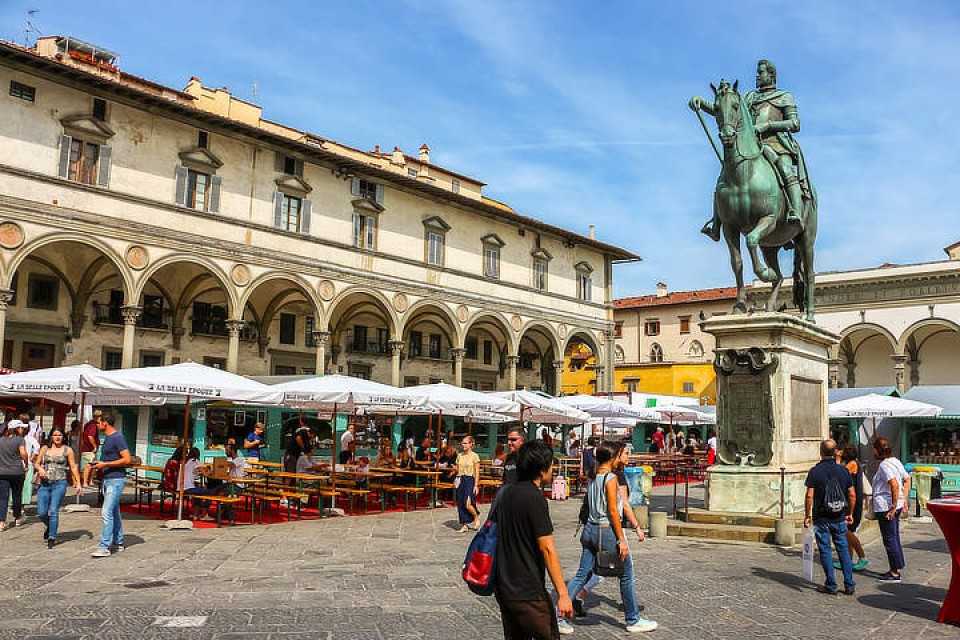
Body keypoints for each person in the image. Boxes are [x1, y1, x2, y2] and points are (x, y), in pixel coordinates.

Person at [691, 59, 809, 241]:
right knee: (724, 177)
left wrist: (767, 126)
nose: (757, 76)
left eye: (760, 72)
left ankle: (796, 213)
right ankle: (716, 224)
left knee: (786, 170)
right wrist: (702, 103)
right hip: (750, 147)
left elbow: (795, 124)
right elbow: (726, 109)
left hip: (776, 145)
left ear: (771, 75)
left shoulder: (784, 97)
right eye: (757, 72)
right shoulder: (749, 98)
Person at [559, 440, 655, 634]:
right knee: (626, 574)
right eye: (621, 453)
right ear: (613, 457)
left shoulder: (593, 475)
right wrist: (621, 539)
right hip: (605, 530)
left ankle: (559, 617)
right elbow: (613, 510)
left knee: (581, 574)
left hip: (590, 530)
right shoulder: (610, 478)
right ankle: (633, 619)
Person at [495, 440, 573, 639]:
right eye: (551, 465)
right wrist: (563, 594)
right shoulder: (534, 498)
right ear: (541, 469)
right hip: (528, 591)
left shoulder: (506, 493)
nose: (552, 469)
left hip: (505, 586)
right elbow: (547, 548)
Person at [803, 439, 856, 595]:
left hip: (821, 517)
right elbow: (852, 494)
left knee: (825, 550)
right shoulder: (843, 470)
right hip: (839, 516)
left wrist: (807, 515)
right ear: (835, 452)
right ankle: (849, 584)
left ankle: (831, 585)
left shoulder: (815, 471)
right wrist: (850, 513)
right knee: (843, 550)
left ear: (821, 452)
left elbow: (809, 495)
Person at [90, 410, 131, 557]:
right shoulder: (107, 438)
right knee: (114, 512)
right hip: (108, 478)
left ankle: (104, 546)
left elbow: (127, 459)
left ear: (105, 423)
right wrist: (100, 464)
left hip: (116, 479)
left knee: (106, 512)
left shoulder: (117, 437)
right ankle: (119, 541)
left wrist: (106, 464)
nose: (96, 424)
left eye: (98, 422)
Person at [34, 426, 81, 548]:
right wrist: (40, 469)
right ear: (51, 437)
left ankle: (52, 536)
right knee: (42, 512)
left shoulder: (68, 450)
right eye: (55, 435)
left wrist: (78, 483)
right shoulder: (45, 449)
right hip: (44, 483)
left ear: (63, 437)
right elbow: (37, 463)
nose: (58, 437)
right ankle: (50, 525)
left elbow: (73, 467)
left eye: (60, 435)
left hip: (59, 483)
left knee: (54, 510)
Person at [872, 437, 911, 582]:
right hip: (895, 503)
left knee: (889, 538)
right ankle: (896, 566)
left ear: (876, 450)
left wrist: (894, 506)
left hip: (887, 506)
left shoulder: (884, 465)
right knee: (894, 537)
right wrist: (903, 499)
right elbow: (907, 480)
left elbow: (894, 484)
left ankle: (895, 572)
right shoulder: (896, 461)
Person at [836, 444, 869, 571]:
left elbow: (839, 475)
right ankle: (847, 560)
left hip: (852, 503)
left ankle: (862, 556)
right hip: (851, 501)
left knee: (847, 531)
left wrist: (838, 461)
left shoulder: (852, 465)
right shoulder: (853, 463)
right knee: (847, 532)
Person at [0, 420, 28, 531]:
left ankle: (1, 521)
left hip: (2, 472)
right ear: (17, 429)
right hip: (16, 471)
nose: (23, 430)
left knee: (2, 497)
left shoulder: (0, 440)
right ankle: (17, 517)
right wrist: (26, 463)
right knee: (17, 495)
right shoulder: (19, 439)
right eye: (21, 427)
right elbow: (23, 453)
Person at [179, 447, 214, 522]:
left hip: (181, 487)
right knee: (209, 492)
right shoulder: (195, 461)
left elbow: (195, 470)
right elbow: (205, 474)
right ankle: (204, 514)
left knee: (198, 492)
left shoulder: (185, 461)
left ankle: (195, 513)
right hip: (187, 488)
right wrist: (210, 471)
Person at [454, 435, 481, 533]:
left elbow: (477, 472)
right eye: (462, 443)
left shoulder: (475, 456)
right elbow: (457, 468)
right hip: (460, 479)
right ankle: (464, 524)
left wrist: (476, 485)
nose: (463, 445)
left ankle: (476, 516)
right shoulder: (459, 455)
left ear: (471, 444)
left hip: (470, 479)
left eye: (465, 443)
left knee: (467, 503)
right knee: (461, 502)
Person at [80, 409, 101, 490]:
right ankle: (85, 482)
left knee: (92, 465)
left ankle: (90, 481)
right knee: (89, 465)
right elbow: (90, 436)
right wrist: (95, 446)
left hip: (87, 448)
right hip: (89, 449)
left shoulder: (88, 424)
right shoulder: (93, 425)